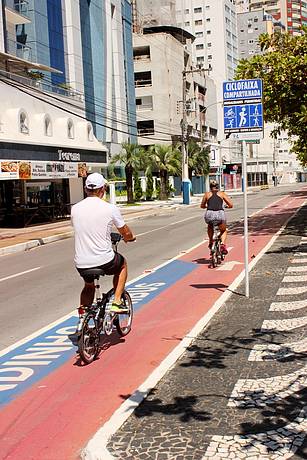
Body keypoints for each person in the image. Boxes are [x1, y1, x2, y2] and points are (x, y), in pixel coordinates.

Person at [71, 172, 136, 326]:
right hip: (104, 260)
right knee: (122, 264)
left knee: (88, 285)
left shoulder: (75, 209)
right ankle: (117, 301)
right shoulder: (109, 208)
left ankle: (83, 318)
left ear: (86, 190)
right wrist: (129, 238)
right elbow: (125, 232)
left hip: (82, 262)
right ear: (102, 190)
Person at [200, 180, 233, 255]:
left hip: (209, 214)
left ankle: (211, 241)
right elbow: (231, 205)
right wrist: (227, 206)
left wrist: (206, 206)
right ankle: (223, 245)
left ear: (210, 187)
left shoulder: (207, 194)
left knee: (210, 226)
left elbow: (202, 206)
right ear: (218, 187)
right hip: (219, 214)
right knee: (223, 230)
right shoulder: (222, 194)